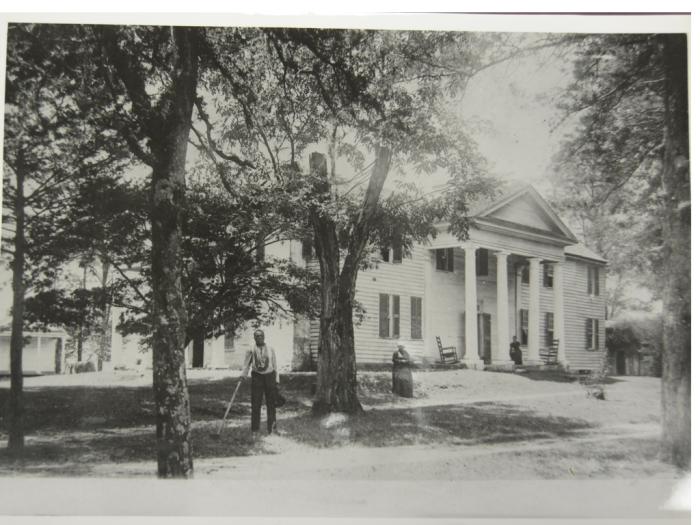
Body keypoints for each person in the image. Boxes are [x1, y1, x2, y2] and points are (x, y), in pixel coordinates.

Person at [240, 329, 279, 435]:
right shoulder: (251, 349)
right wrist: (243, 374)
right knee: (256, 404)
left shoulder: (270, 349)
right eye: (257, 336)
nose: (259, 337)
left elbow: (275, 365)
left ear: (264, 337)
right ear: (254, 338)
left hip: (270, 376)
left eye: (261, 335)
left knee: (271, 403)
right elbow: (246, 364)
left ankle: (272, 429)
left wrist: (276, 380)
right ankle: (255, 430)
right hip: (257, 377)